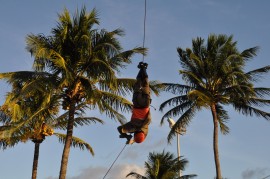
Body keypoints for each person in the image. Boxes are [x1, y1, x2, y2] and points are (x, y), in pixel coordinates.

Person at [117, 62, 151, 144]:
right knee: (138, 83)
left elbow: (140, 137)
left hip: (146, 104)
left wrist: (131, 140)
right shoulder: (132, 127)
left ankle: (144, 68)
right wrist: (127, 136)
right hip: (137, 103)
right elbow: (119, 129)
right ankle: (142, 68)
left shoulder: (145, 129)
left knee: (145, 83)